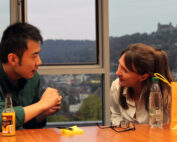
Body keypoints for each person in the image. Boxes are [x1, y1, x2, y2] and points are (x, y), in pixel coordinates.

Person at [0, 22, 62, 130]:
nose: (39, 62)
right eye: (34, 56)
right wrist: (42, 105)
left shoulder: (32, 77)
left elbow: (28, 125)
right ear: (13, 59)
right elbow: (3, 122)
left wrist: (41, 113)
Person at [110, 43, 173, 125]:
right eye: (119, 65)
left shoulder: (166, 95)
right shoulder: (116, 86)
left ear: (143, 77)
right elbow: (116, 114)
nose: (117, 72)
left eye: (125, 70)